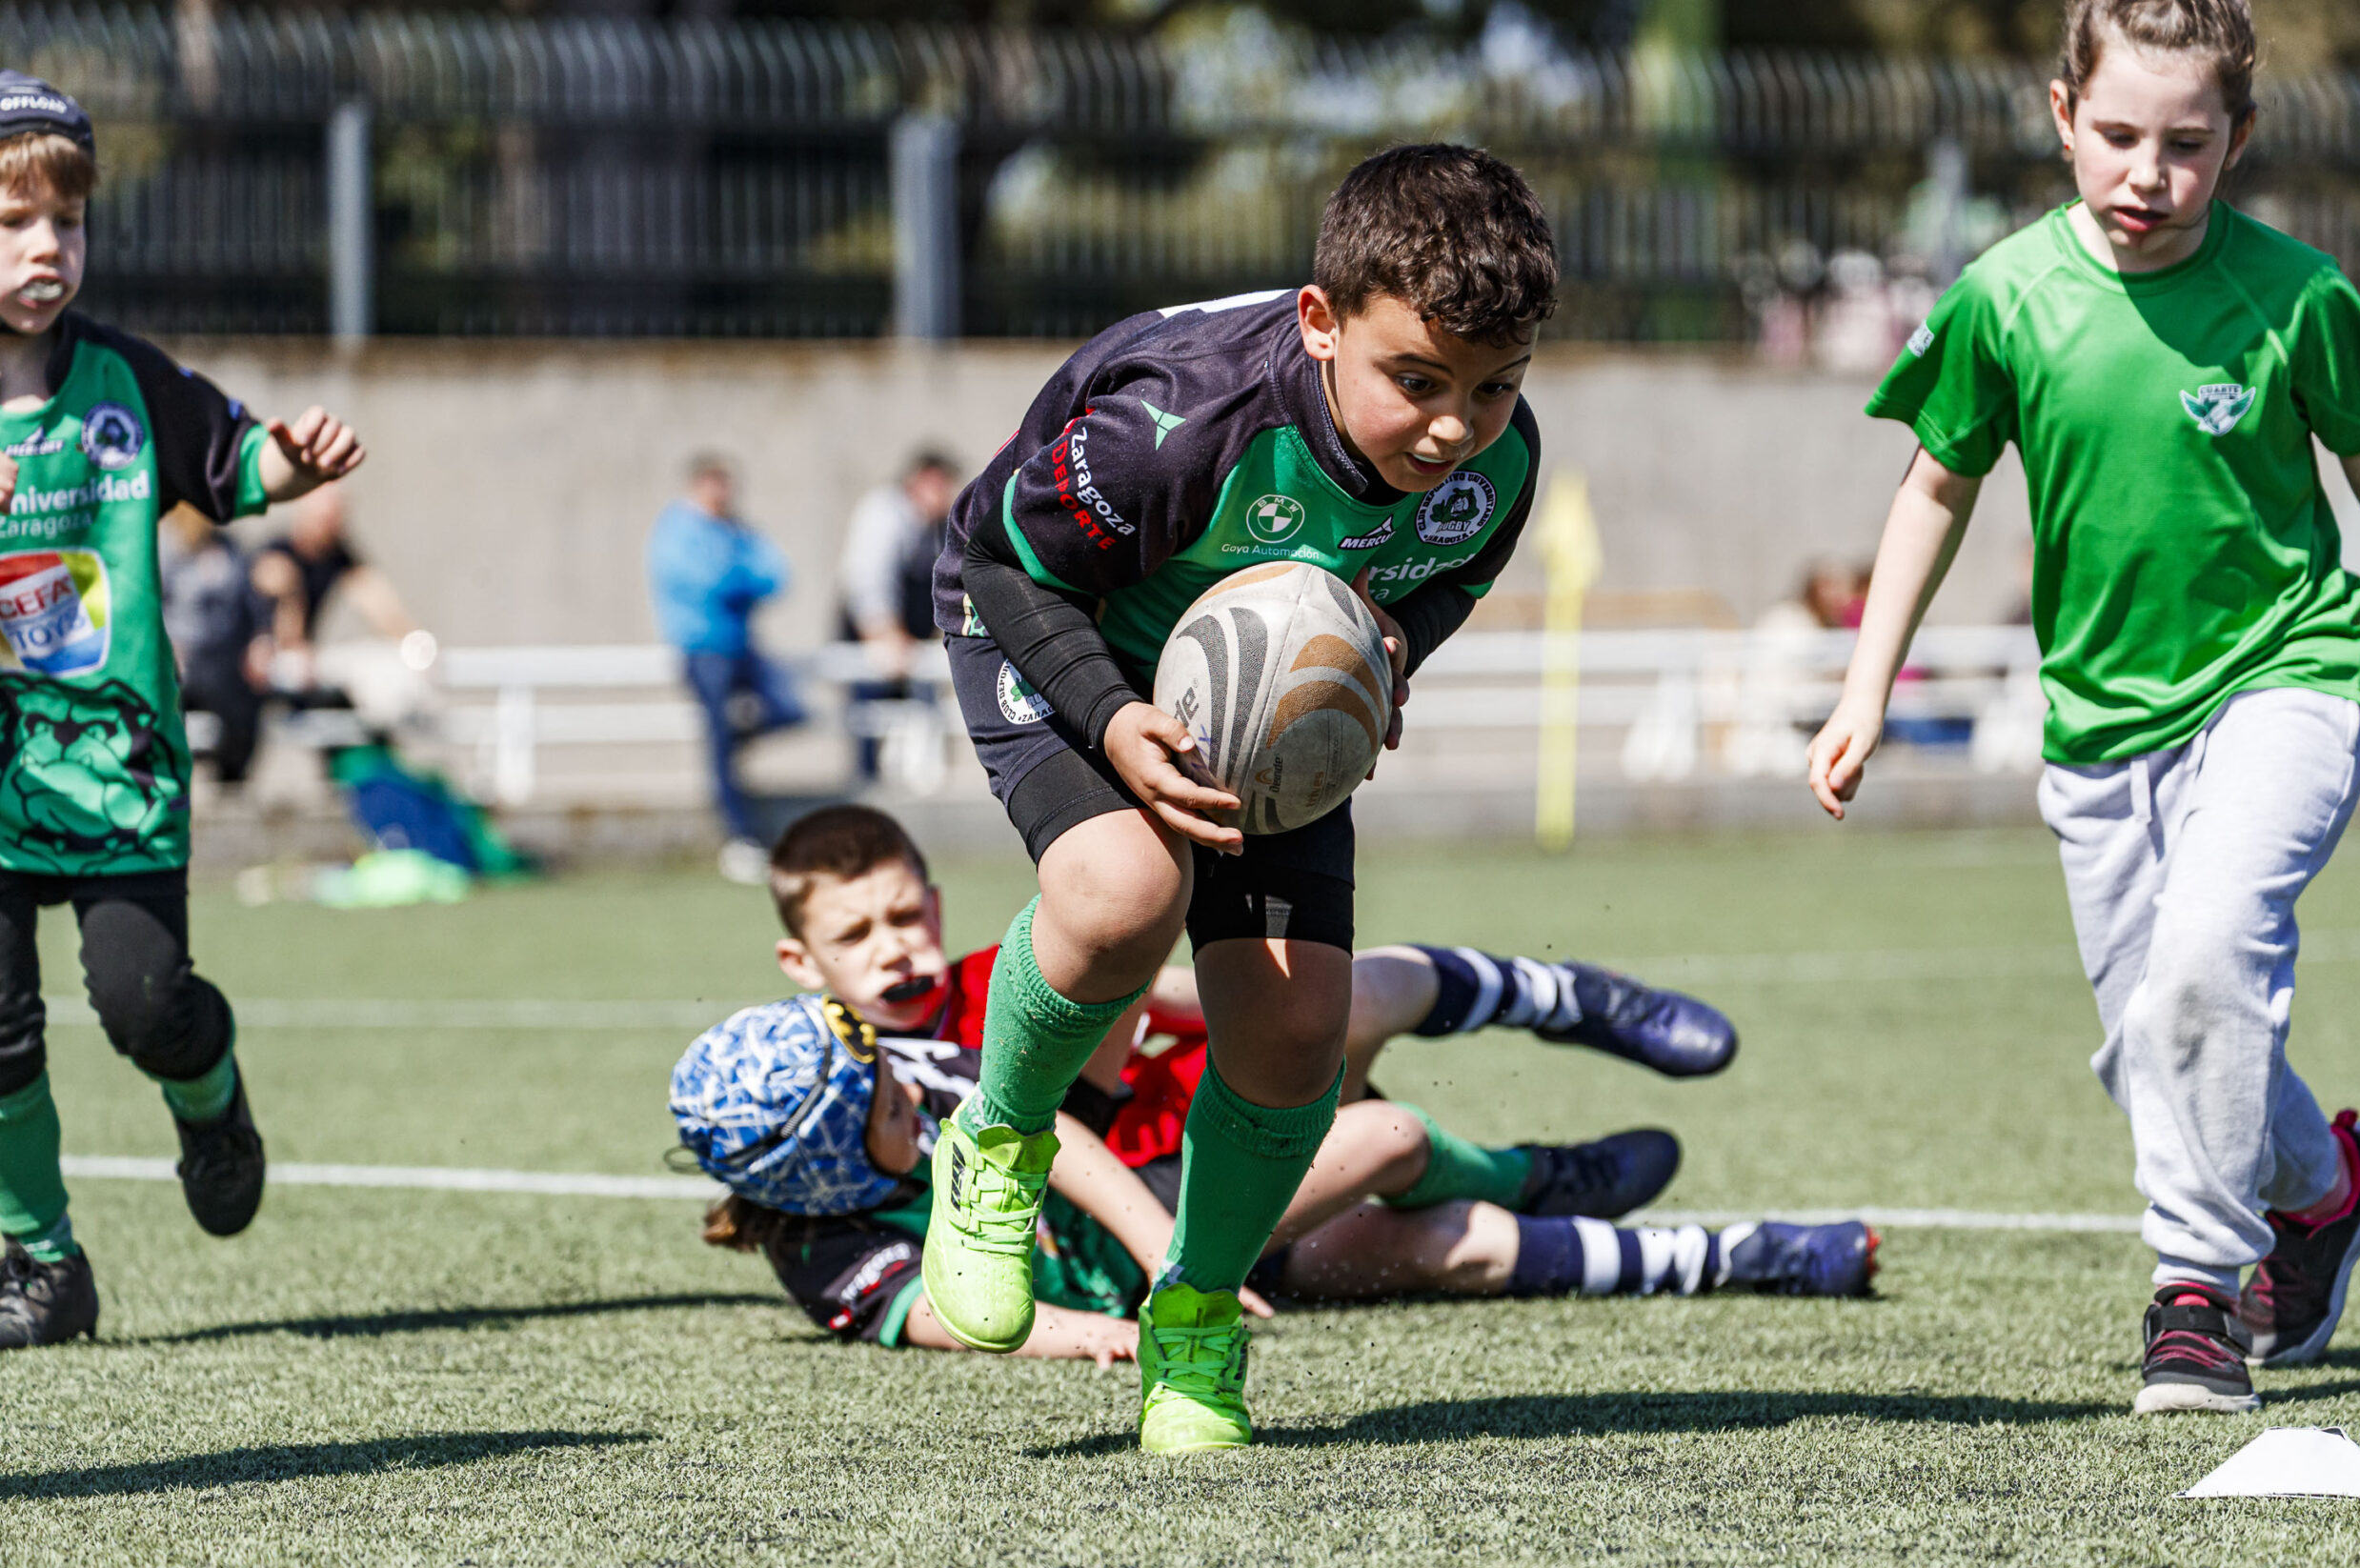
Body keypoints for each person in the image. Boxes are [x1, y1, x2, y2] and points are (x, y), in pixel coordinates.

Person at [1805, 0, 2360, 1417]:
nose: (2151, 171)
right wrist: (1864, 685)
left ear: (2239, 142)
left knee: (2208, 956)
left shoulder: (2301, 297)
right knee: (2150, 1038)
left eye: (2188, 144)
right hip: (2100, 726)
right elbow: (1934, 488)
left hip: (2288, 676)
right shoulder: (2004, 297)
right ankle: (2329, 1185)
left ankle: (2199, 1294)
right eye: (2124, 135)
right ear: (2064, 117)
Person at [926, 145, 1554, 1452]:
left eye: (1496, 387)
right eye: (1418, 381)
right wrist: (1108, 712)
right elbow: (1004, 555)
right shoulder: (1185, 420)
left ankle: (1196, 1309)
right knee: (1120, 893)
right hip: (1050, 615)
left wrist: (1391, 644)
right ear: (1322, 323)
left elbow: (1450, 571)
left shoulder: (1497, 461)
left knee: (1295, 1028)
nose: (1456, 426)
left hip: (1252, 680)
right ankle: (995, 1141)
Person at [666, 807, 1873, 1366]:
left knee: (1330, 1004)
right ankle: (1729, 1250)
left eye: (902, 913)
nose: (894, 949)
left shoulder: (996, 988)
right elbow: (966, 1317)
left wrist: (1268, 1006)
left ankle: (1562, 1000)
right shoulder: (828, 1247)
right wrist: (1132, 1329)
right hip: (1191, 1198)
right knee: (1439, 1231)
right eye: (856, 932)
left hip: (1197, 1152)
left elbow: (1061, 1113)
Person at [0, 74, 366, 1348]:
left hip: (114, 773)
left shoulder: (121, 380)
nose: (47, 248)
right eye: (12, 222)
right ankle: (45, 1262)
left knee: (143, 999)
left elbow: (231, 458)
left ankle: (210, 1103)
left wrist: (292, 460)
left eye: (68, 222)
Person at [646, 453, 805, 884]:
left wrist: (735, 579)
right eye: (715, 486)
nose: (722, 495)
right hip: (704, 650)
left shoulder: (736, 529)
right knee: (717, 740)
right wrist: (739, 579)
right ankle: (740, 836)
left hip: (742, 647)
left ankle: (731, 742)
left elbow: (775, 574)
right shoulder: (677, 529)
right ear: (698, 486)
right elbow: (704, 580)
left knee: (791, 709)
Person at [837, 449, 957, 782]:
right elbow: (868, 579)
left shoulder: (939, 527)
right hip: (873, 641)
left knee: (925, 724)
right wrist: (884, 633)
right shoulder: (884, 513)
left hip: (914, 646)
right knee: (869, 725)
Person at [251, 482, 421, 689]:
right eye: (324, 518)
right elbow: (285, 632)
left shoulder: (336, 555)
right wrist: (294, 646)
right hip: (260, 662)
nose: (331, 525)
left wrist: (411, 640)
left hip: (298, 660)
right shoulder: (277, 555)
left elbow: (374, 598)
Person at [158, 502, 268, 785]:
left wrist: (260, 639)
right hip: (182, 656)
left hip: (225, 655)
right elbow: (154, 601)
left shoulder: (228, 548)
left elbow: (249, 603)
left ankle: (234, 775)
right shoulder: (168, 548)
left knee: (249, 695)